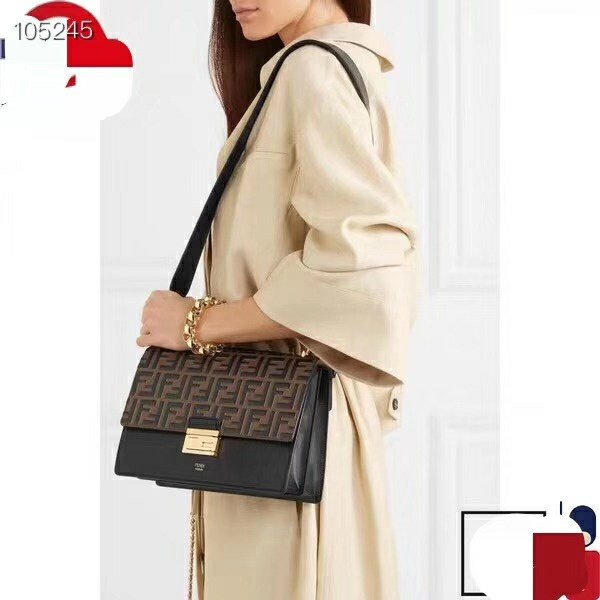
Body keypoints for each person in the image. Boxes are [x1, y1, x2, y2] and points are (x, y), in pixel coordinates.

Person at [136, 1, 420, 597]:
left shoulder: (314, 71)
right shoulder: (318, 68)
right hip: (276, 428)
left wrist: (196, 324)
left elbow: (360, 266)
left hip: (286, 435)